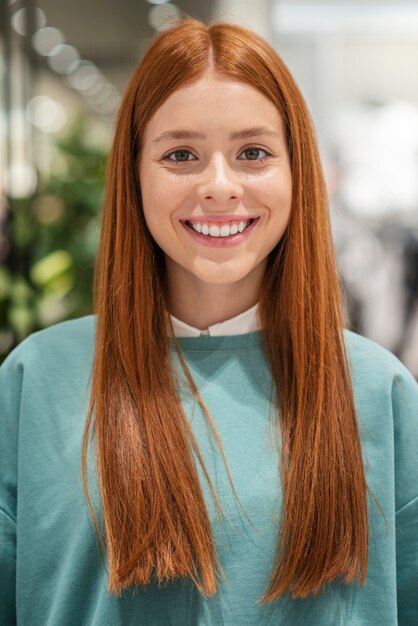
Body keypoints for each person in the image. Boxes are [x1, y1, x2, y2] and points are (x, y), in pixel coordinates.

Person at [1, 17, 417, 626]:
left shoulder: (377, 390)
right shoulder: (34, 380)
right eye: (180, 155)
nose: (219, 186)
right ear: (134, 175)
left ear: (297, 172)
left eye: (253, 153)